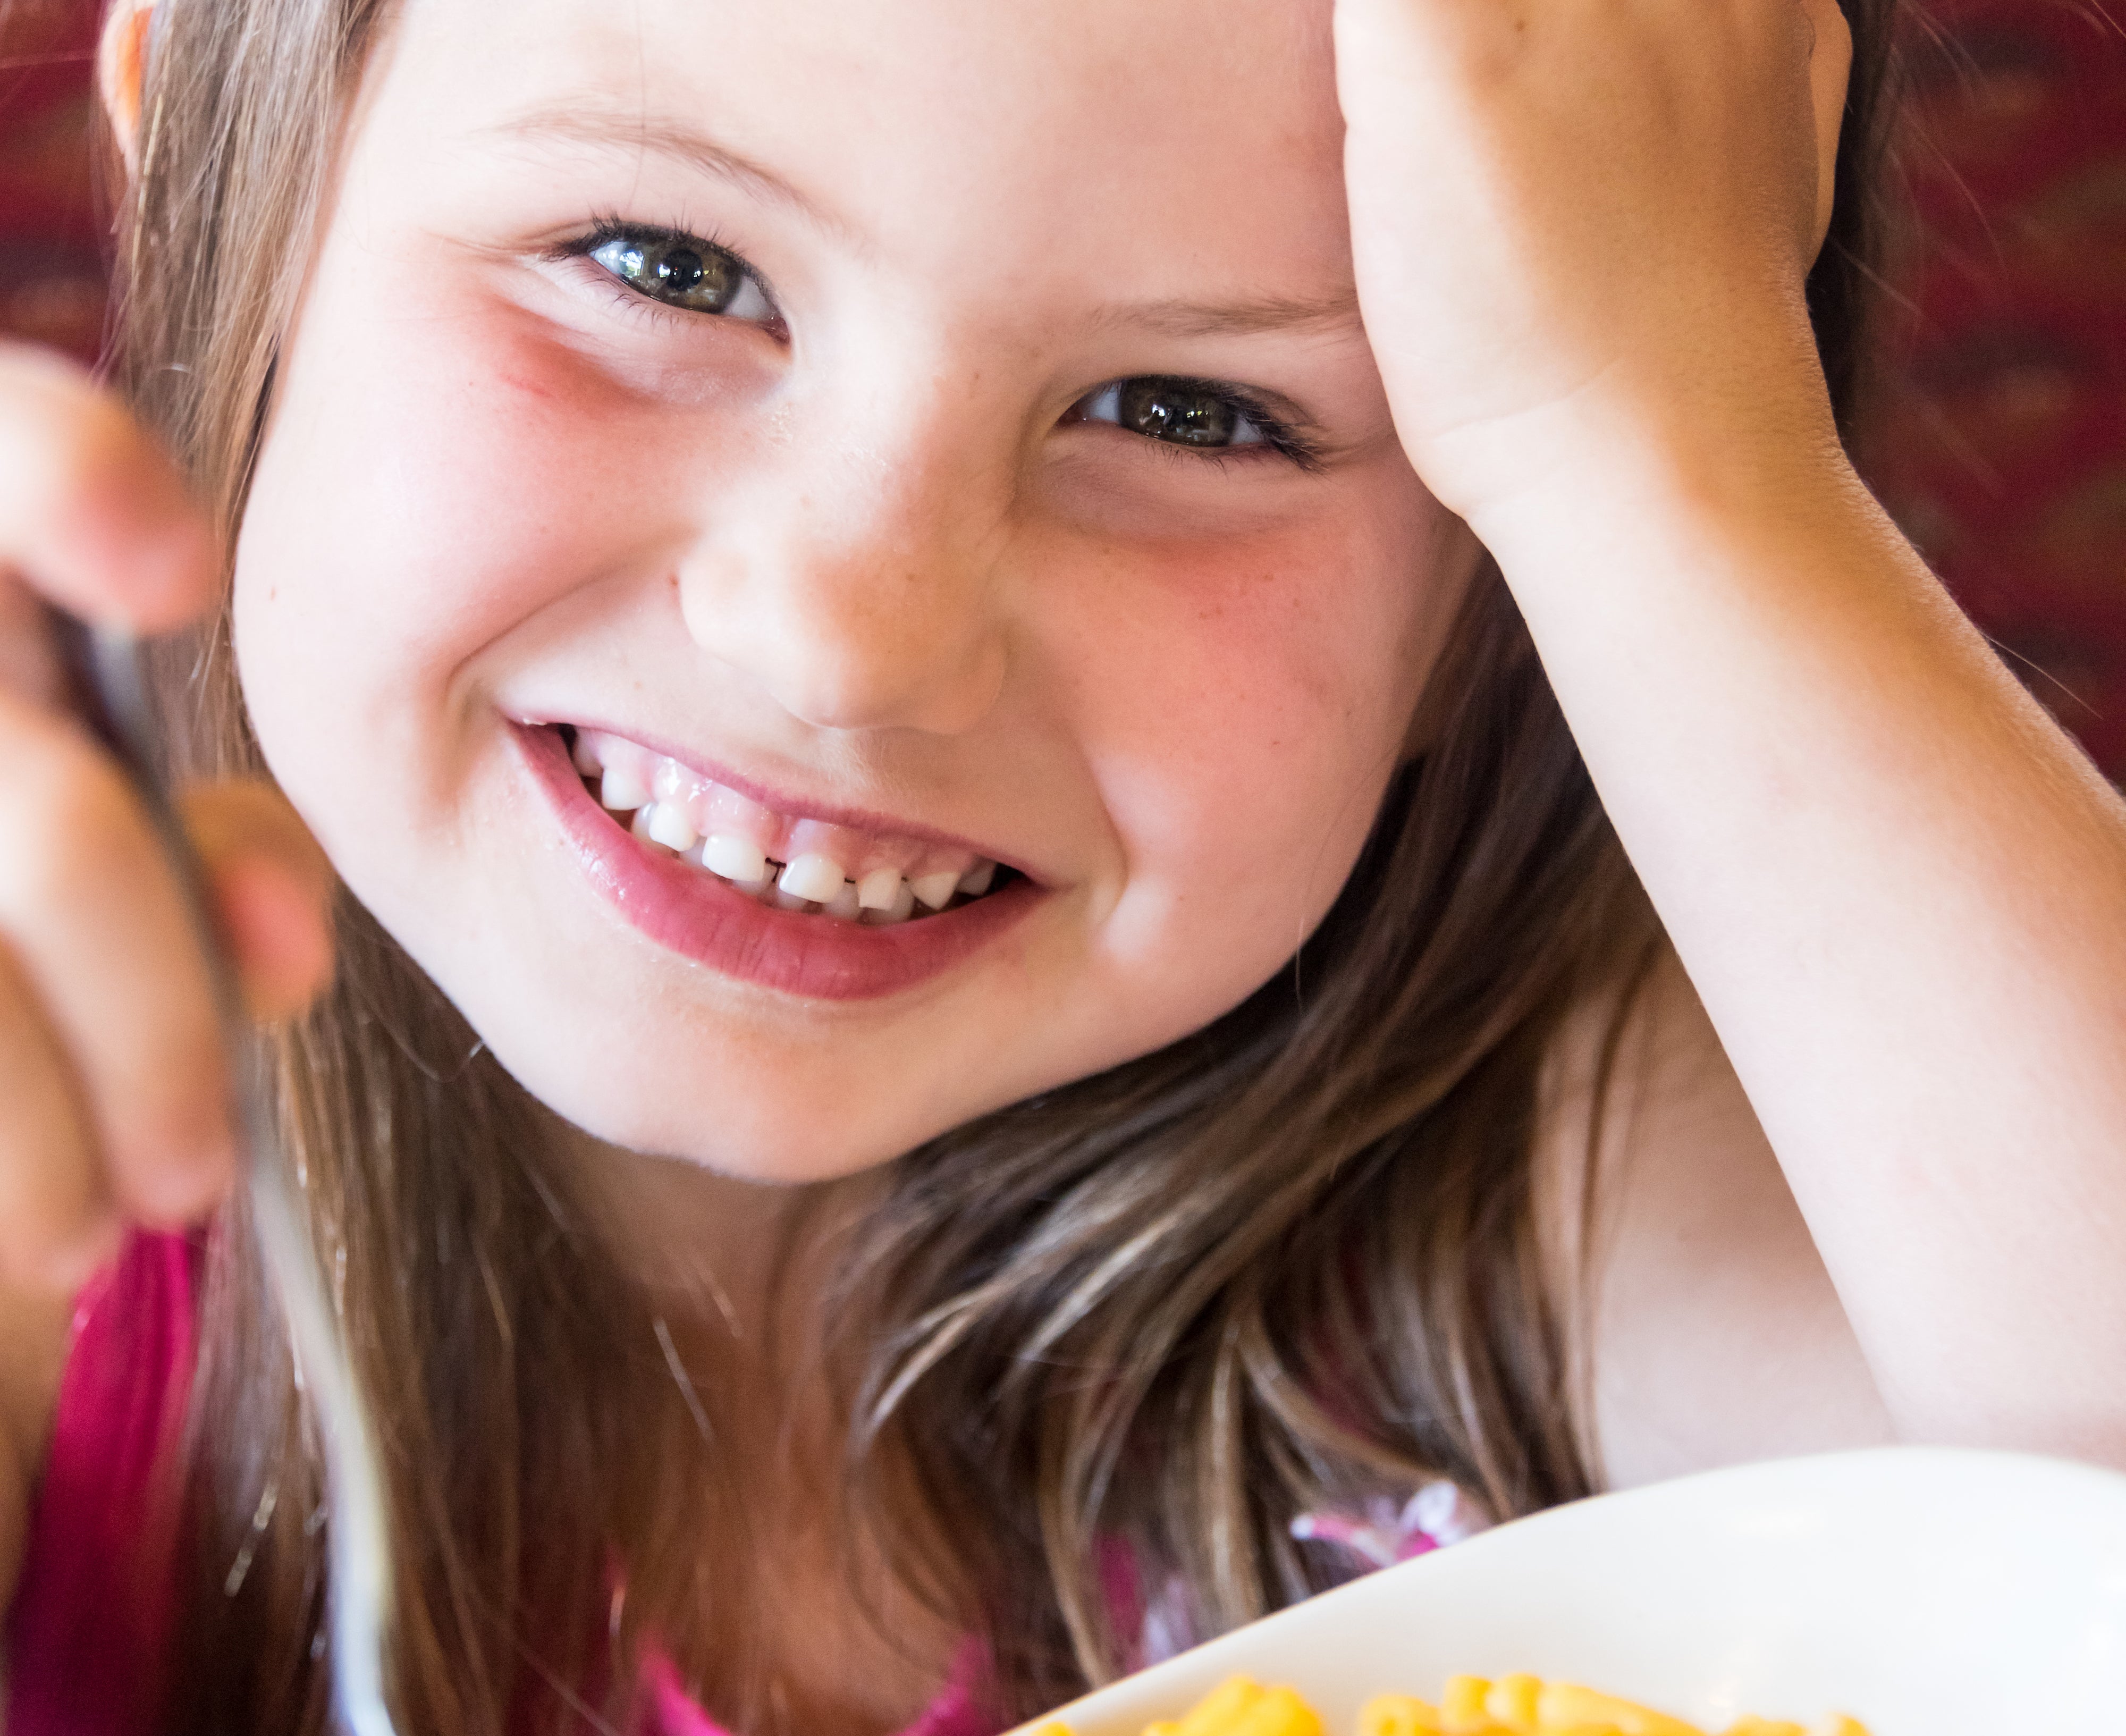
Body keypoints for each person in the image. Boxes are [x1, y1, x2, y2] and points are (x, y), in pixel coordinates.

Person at [1, 0, 2122, 1731]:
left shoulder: (1547, 1178)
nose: (856, 638)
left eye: (1196, 414)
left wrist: (1661, 444)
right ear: (195, 139)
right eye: (666, 268)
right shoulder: (49, 1208)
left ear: (1488, 587)